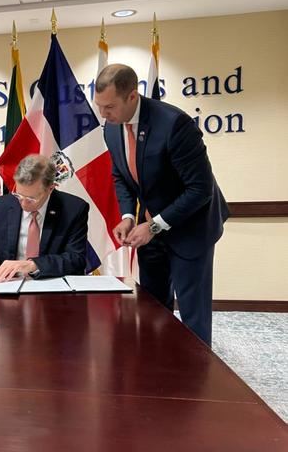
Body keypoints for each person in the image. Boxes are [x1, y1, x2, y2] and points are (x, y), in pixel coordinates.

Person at [94, 64, 229, 345]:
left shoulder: (174, 125)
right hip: (148, 227)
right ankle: (160, 368)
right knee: (153, 305)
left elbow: (200, 189)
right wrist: (128, 215)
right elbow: (121, 174)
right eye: (100, 107)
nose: (103, 114)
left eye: (109, 106)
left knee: (193, 315)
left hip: (191, 227)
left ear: (132, 97)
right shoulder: (111, 127)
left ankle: (196, 375)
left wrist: (154, 226)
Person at [0, 154, 88, 282]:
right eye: (19, 195)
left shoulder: (73, 209)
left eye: (31, 199)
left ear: (50, 189)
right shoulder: (1, 206)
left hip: (52, 288)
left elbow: (76, 259)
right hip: (10, 286)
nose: (24, 204)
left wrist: (33, 265)